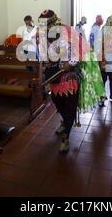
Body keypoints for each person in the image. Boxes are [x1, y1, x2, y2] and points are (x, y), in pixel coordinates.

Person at [38, 10, 81, 153]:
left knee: (70, 108)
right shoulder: (44, 38)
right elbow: (43, 57)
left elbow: (77, 55)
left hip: (69, 79)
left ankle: (66, 137)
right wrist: (45, 63)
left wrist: (70, 63)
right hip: (54, 79)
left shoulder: (66, 34)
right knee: (58, 103)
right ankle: (65, 121)